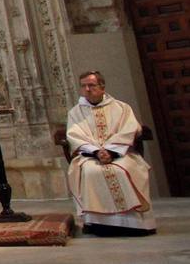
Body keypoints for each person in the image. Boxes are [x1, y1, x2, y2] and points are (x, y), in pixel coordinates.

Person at [65, 71, 157, 237]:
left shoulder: (121, 108)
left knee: (123, 170)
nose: (87, 89)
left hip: (121, 154)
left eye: (91, 85)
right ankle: (100, 225)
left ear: (102, 87)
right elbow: (74, 135)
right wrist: (96, 152)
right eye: (84, 86)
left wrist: (111, 151)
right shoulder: (75, 112)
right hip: (90, 156)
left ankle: (135, 224)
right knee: (90, 171)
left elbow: (130, 130)